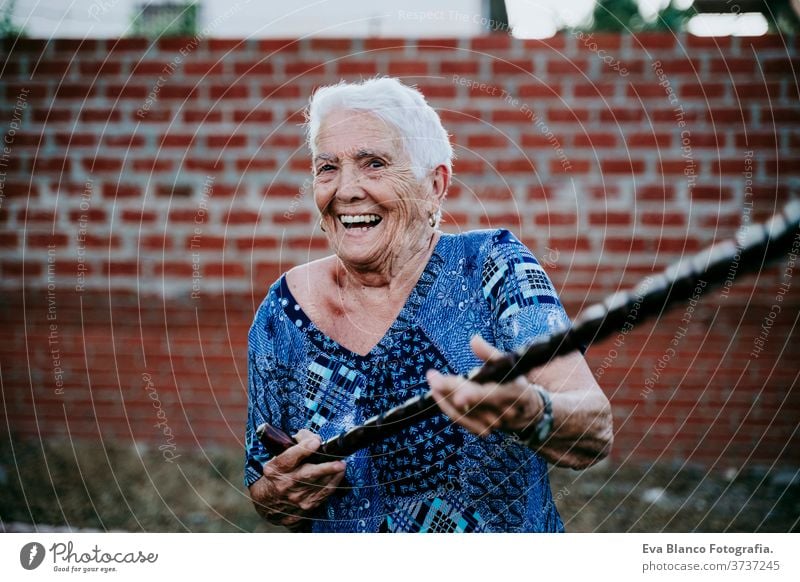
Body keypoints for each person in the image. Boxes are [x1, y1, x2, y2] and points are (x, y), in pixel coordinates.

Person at [245, 77, 613, 532]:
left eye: (374, 163)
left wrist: (532, 411)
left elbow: (595, 429)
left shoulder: (491, 267)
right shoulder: (283, 312)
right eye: (327, 168)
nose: (346, 190)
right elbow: (264, 493)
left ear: (435, 185)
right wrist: (280, 490)